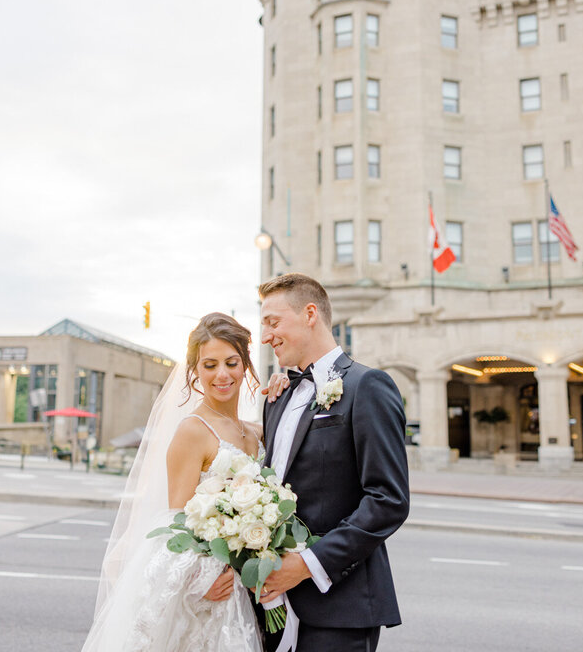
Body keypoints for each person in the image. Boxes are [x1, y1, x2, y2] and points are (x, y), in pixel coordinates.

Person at [82, 312, 266, 652]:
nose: (222, 374)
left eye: (231, 362)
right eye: (209, 365)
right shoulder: (192, 431)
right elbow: (175, 522)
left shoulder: (256, 430)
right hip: (215, 593)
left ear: (245, 365)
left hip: (254, 586)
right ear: (195, 370)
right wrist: (198, 585)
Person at [256, 273, 410, 652]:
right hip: (274, 606)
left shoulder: (367, 386)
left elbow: (387, 500)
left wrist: (307, 564)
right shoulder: (276, 397)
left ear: (310, 313)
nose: (264, 336)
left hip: (340, 608)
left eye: (273, 323)